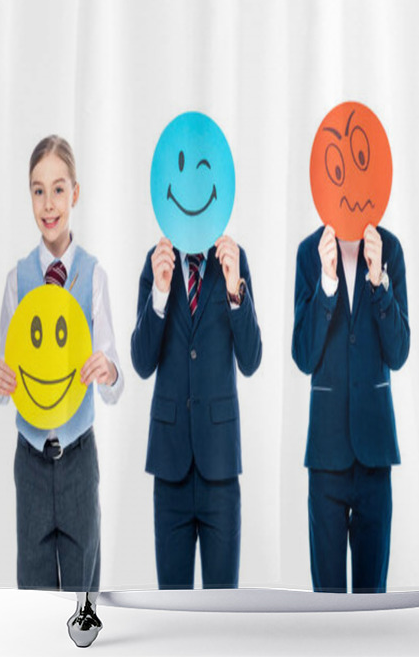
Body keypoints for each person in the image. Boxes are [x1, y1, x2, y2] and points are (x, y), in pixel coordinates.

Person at [0, 135, 124, 647]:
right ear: (30, 198)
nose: (48, 204)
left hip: (80, 459)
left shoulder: (93, 275)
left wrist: (108, 371)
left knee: (84, 602)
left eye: (58, 190)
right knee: (34, 598)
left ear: (75, 194)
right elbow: (4, 377)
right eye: (38, 192)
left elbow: (112, 383)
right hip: (32, 463)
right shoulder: (18, 280)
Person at [130, 234, 262, 589]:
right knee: (172, 609)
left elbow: (250, 360)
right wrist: (159, 293)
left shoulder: (234, 258)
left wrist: (236, 291)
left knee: (223, 609)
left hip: (219, 466)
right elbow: (142, 363)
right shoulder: (156, 260)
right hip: (169, 464)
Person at [292, 223, 410, 593]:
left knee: (372, 597)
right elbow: (304, 355)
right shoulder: (309, 251)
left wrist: (379, 284)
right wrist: (327, 285)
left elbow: (399, 352)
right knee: (326, 600)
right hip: (326, 455)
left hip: (375, 451)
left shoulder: (390, 248)